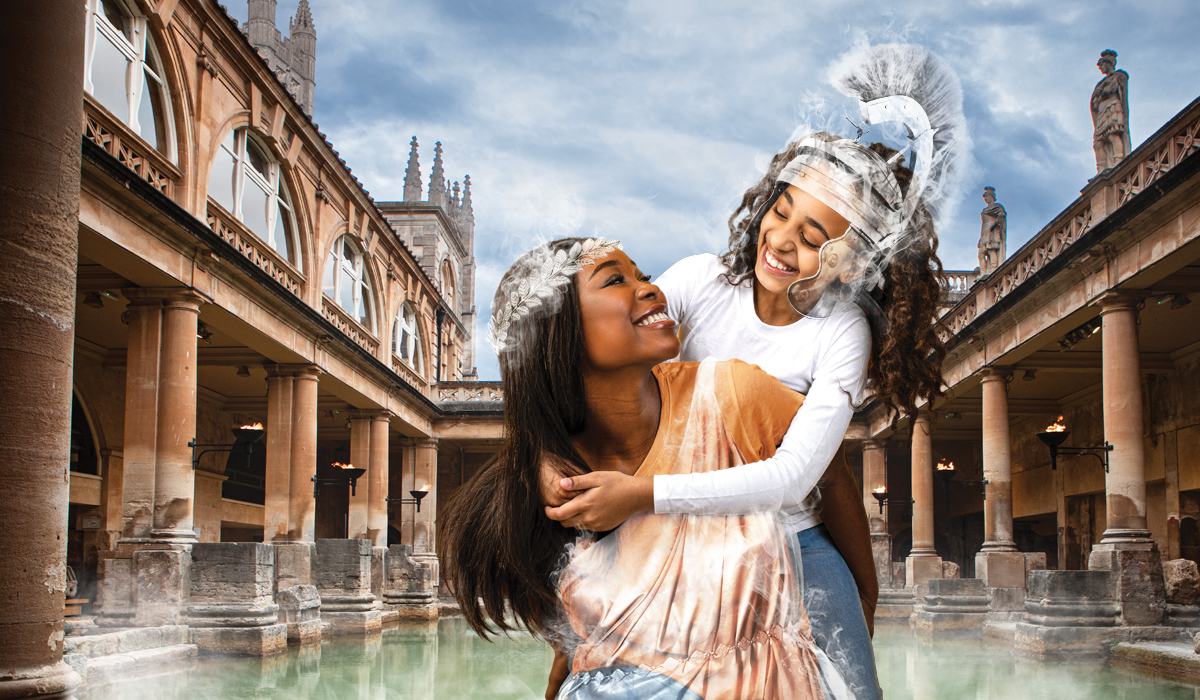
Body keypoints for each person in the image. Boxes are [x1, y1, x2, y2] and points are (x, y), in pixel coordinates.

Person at [541, 44, 964, 700]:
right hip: (666, 539)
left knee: (857, 690)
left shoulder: (841, 334)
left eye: (816, 233)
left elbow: (793, 476)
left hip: (791, 541)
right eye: (782, 210)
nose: (783, 239)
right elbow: (596, 361)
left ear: (850, 262)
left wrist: (641, 493)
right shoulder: (702, 281)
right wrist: (547, 453)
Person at [442, 238, 852, 699]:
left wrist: (864, 599)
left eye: (642, 275)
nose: (650, 288)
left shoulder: (732, 395)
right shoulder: (550, 485)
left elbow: (830, 472)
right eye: (616, 280)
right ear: (558, 332)